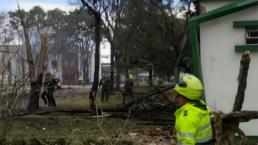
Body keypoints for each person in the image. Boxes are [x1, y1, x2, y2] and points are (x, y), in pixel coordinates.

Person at [168, 74, 214, 145]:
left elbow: (187, 141)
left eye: (178, 96)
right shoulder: (201, 106)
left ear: (183, 97)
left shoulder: (187, 117)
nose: (176, 99)